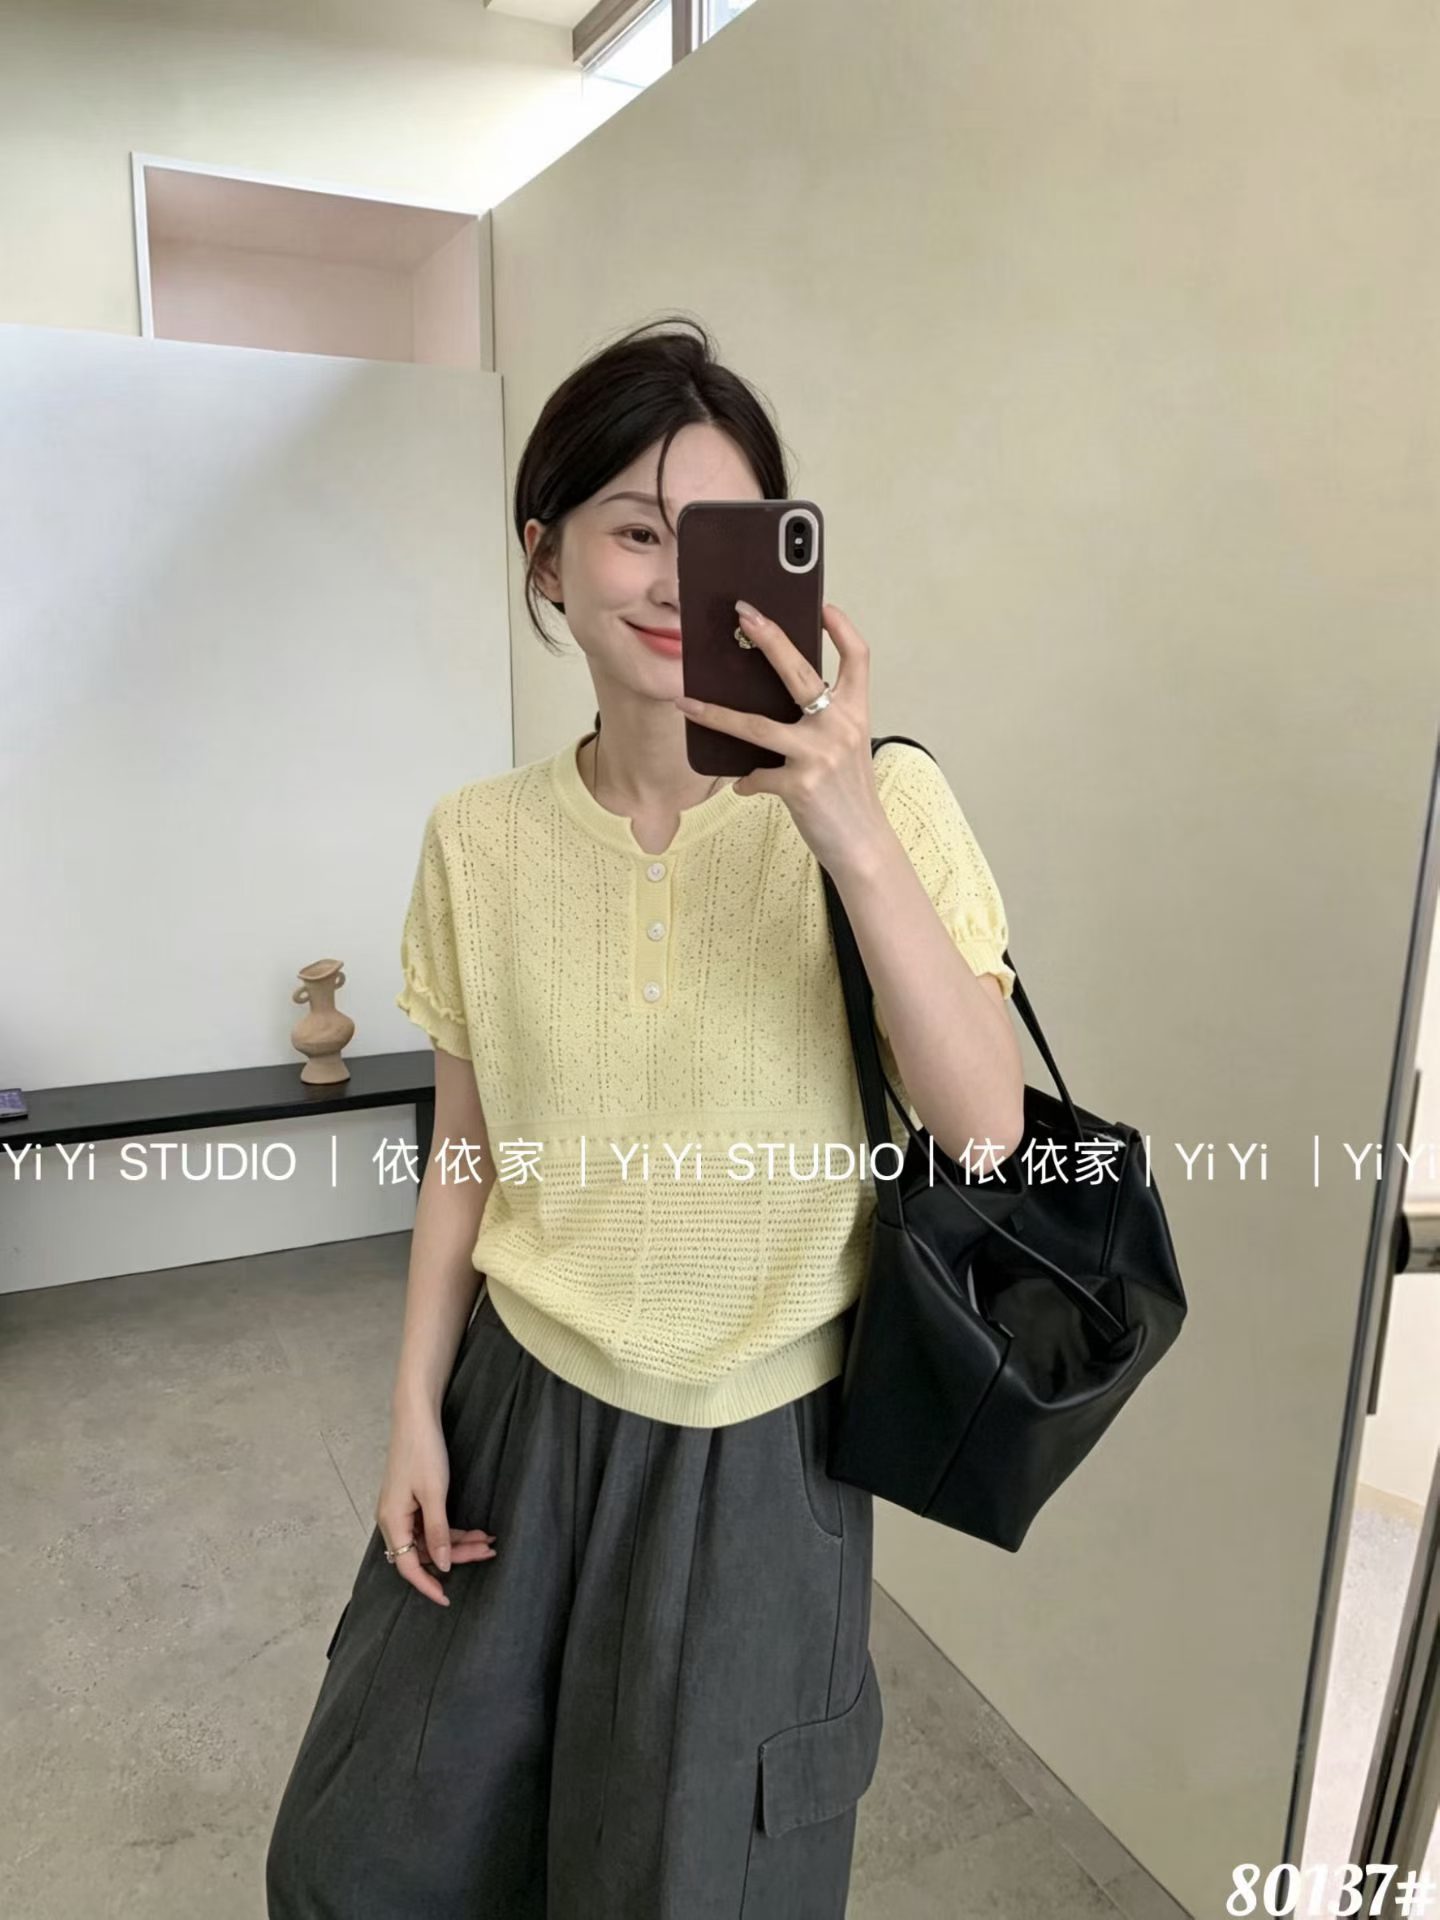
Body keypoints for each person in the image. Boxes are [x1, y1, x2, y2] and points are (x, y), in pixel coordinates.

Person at [265, 316, 1024, 1918]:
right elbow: (466, 1158)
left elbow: (987, 1133)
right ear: (545, 559)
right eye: (633, 531)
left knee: (687, 1883)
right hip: (516, 1415)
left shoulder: (886, 803)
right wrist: (412, 1409)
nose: (680, 579)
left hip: (762, 1459)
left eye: (722, 536)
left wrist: (848, 831)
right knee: (379, 1858)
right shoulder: (477, 839)